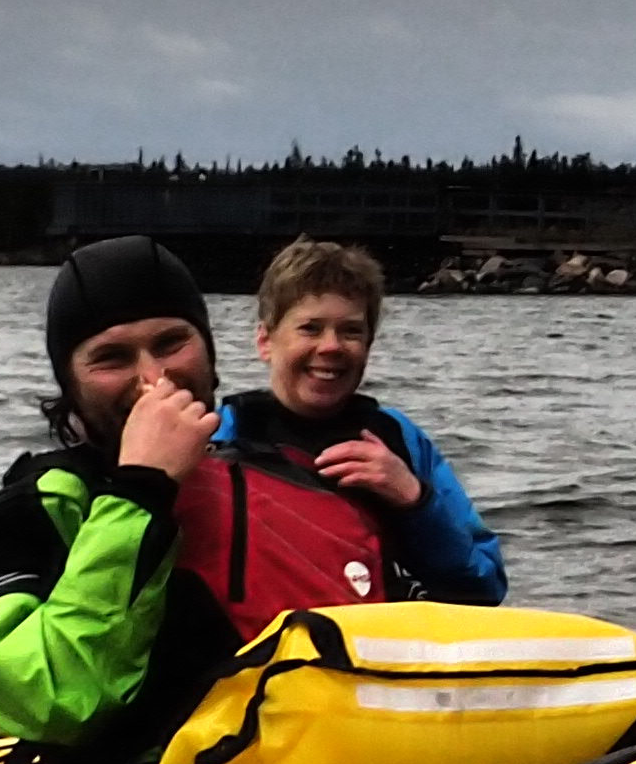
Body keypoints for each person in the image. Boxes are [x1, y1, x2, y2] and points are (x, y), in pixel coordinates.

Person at [0, 234, 243, 764]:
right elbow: (54, 699)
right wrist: (141, 491)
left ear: (209, 353)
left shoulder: (293, 473)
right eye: (112, 358)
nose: (154, 379)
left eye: (172, 343)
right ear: (70, 387)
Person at [208, 238, 507, 612]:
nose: (331, 346)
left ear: (369, 344)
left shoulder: (397, 440)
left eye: (350, 331)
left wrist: (413, 501)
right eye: (310, 328)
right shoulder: (218, 438)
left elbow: (484, 587)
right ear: (266, 341)